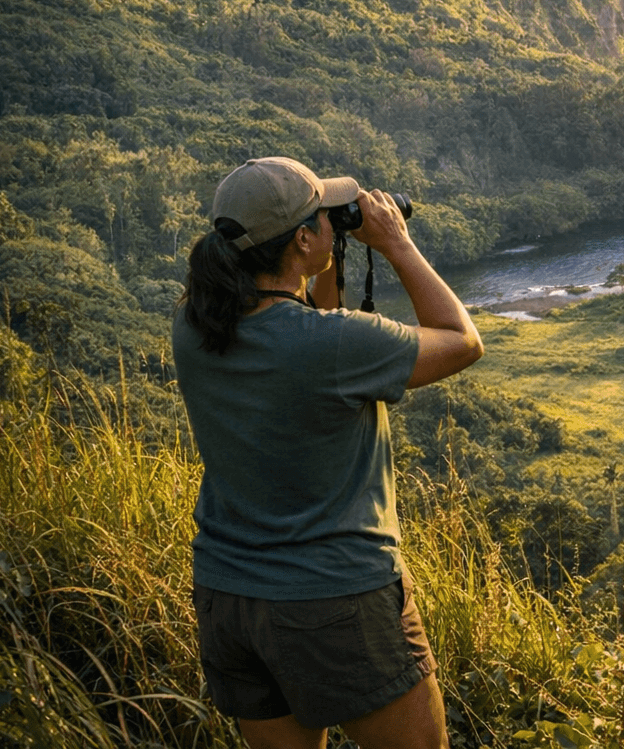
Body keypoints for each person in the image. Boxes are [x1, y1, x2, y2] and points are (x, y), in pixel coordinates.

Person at [173, 156, 484, 749]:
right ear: (303, 238)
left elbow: (295, 327)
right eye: (323, 216)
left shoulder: (193, 326)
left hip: (229, 598)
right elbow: (461, 341)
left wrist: (327, 264)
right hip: (338, 600)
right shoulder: (335, 346)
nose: (331, 222)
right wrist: (396, 243)